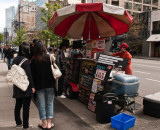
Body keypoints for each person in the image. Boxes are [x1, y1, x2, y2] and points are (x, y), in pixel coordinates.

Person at [30, 41, 56, 130]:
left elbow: (32, 75)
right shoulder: (50, 57)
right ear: (44, 48)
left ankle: (43, 124)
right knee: (50, 103)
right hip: (50, 84)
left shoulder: (33, 60)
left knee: (41, 104)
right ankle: (49, 124)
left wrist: (32, 86)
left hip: (39, 85)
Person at [12, 42, 35, 130]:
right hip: (25, 87)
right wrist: (32, 87)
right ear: (26, 50)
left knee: (18, 105)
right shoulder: (25, 61)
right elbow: (29, 75)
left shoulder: (15, 59)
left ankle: (18, 123)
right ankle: (25, 125)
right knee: (26, 107)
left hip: (17, 85)